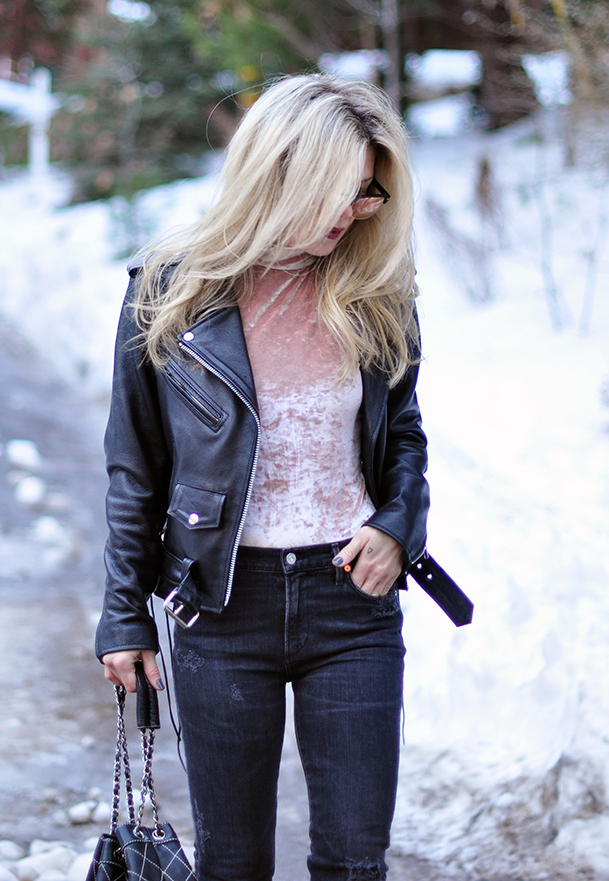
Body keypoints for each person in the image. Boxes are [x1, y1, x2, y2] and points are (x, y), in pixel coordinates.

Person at [96, 73, 429, 881]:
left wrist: (396, 525)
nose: (352, 214)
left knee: (356, 859)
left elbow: (405, 436)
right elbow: (134, 465)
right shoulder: (170, 291)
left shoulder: (373, 291)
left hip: (350, 606)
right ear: (281, 173)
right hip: (221, 606)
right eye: (338, 192)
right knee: (234, 862)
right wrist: (123, 617)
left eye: (367, 195)